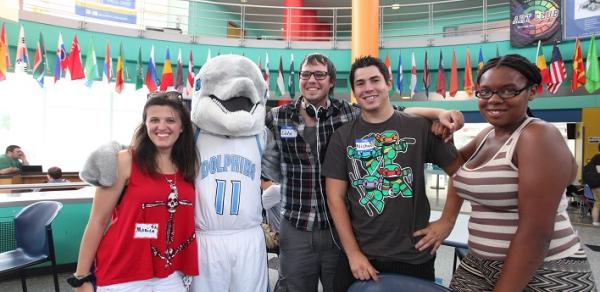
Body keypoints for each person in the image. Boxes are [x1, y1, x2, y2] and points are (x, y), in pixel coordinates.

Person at [262, 53, 465, 292]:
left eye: (319, 74)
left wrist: (439, 113)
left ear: (330, 81)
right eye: (306, 74)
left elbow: (396, 111)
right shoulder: (276, 118)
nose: (312, 80)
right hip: (296, 224)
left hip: (336, 230)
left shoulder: (347, 113)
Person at [416, 54, 596, 291]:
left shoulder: (538, 136)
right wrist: (438, 121)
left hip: (546, 269)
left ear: (531, 91)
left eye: (508, 91)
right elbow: (458, 170)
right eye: (485, 92)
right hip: (480, 263)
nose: (494, 100)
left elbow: (536, 233)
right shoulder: (488, 135)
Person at [70, 92, 199, 291]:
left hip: (169, 274)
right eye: (154, 120)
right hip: (122, 272)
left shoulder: (188, 167)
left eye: (170, 120)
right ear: (145, 124)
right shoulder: (125, 160)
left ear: (182, 127)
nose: (162, 127)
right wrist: (81, 278)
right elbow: (98, 221)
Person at [585, 143, 600, 226]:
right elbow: (599, 170)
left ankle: (595, 221)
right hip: (598, 185)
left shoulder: (596, 157)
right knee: (598, 203)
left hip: (595, 184)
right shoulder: (598, 157)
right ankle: (595, 221)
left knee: (597, 203)